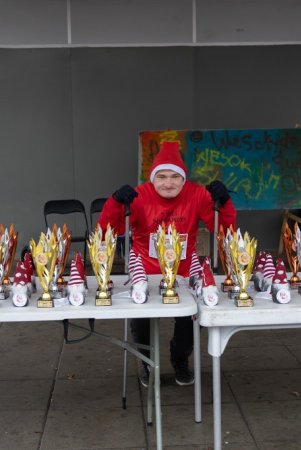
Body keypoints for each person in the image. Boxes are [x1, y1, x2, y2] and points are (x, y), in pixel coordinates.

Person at [98, 141, 236, 386]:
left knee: (189, 321)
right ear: (153, 178)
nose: (168, 183)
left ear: (184, 179)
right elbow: (107, 232)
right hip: (146, 269)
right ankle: (146, 362)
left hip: (184, 270)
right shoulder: (140, 195)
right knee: (141, 322)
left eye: (175, 177)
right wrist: (116, 202)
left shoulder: (197, 194)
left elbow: (225, 231)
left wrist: (224, 203)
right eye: (161, 177)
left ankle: (179, 358)